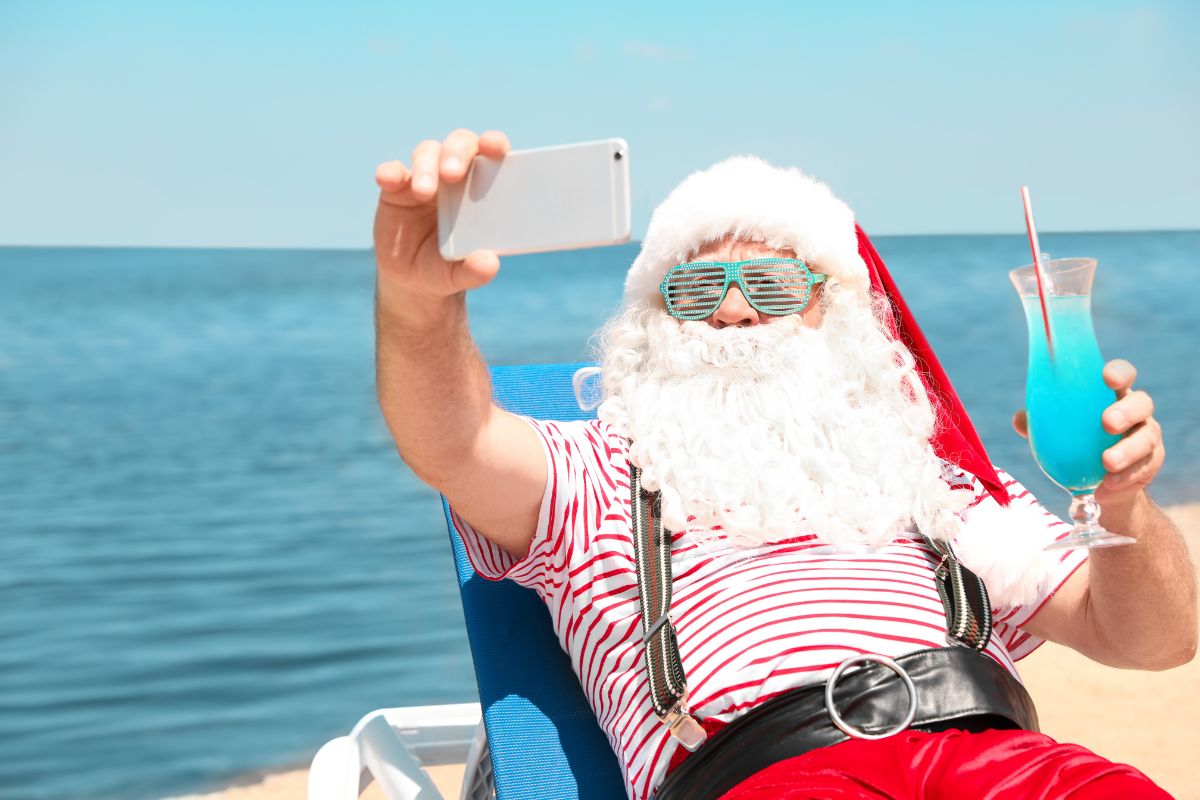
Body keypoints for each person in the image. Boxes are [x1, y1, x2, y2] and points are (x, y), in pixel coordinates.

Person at [371, 128, 1196, 799]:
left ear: (831, 311)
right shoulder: (596, 471)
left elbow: (1155, 640)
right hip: (772, 770)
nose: (730, 312)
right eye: (694, 292)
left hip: (997, 761)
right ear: (651, 326)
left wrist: (1124, 506)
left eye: (767, 285)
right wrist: (417, 306)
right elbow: (455, 438)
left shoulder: (930, 477)